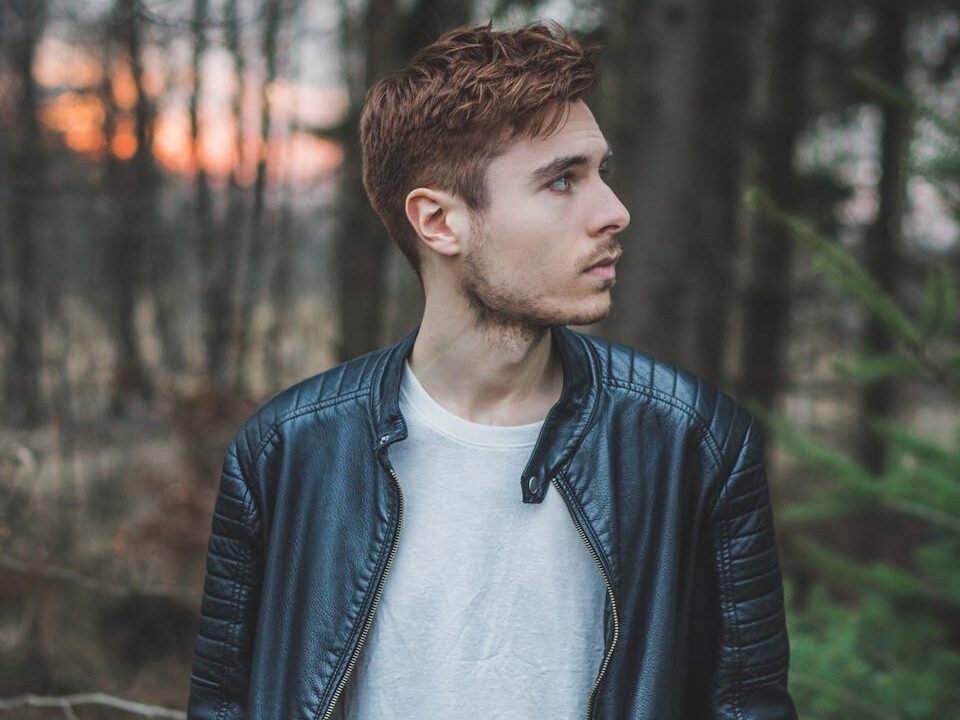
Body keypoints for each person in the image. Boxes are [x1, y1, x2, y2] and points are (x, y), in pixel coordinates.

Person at [187, 19, 798, 720]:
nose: (616, 211)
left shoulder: (694, 443)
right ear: (439, 222)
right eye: (564, 180)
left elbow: (748, 708)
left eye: (603, 172)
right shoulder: (285, 453)